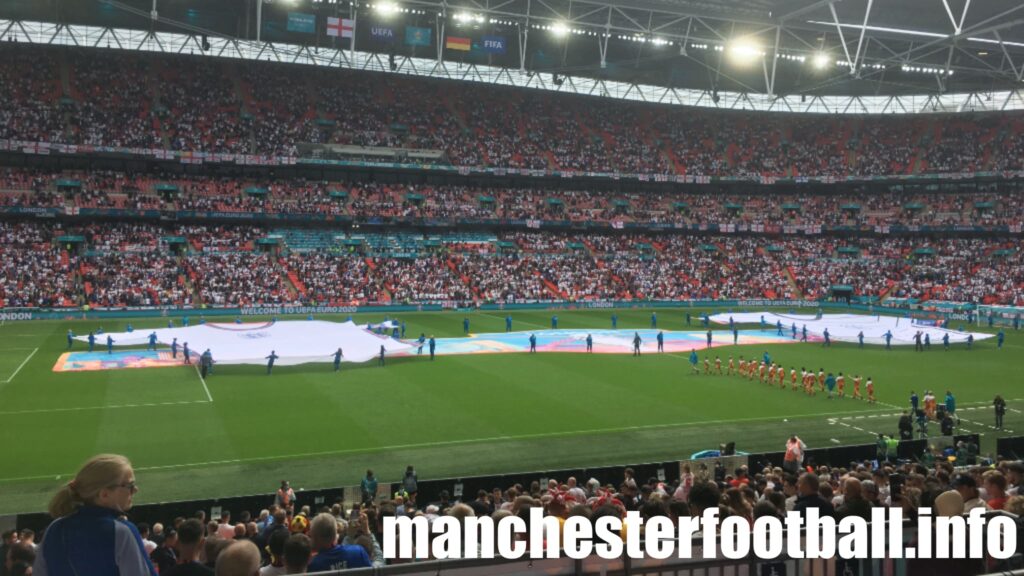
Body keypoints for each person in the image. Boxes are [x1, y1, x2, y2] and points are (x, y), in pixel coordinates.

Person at [33, 454, 156, 575]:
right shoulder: (121, 531)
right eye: (129, 485)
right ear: (104, 494)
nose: (135, 490)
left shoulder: (54, 528)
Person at [306, 513, 370, 572]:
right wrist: (367, 532)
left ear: (315, 537)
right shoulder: (358, 553)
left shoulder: (312, 566)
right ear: (335, 534)